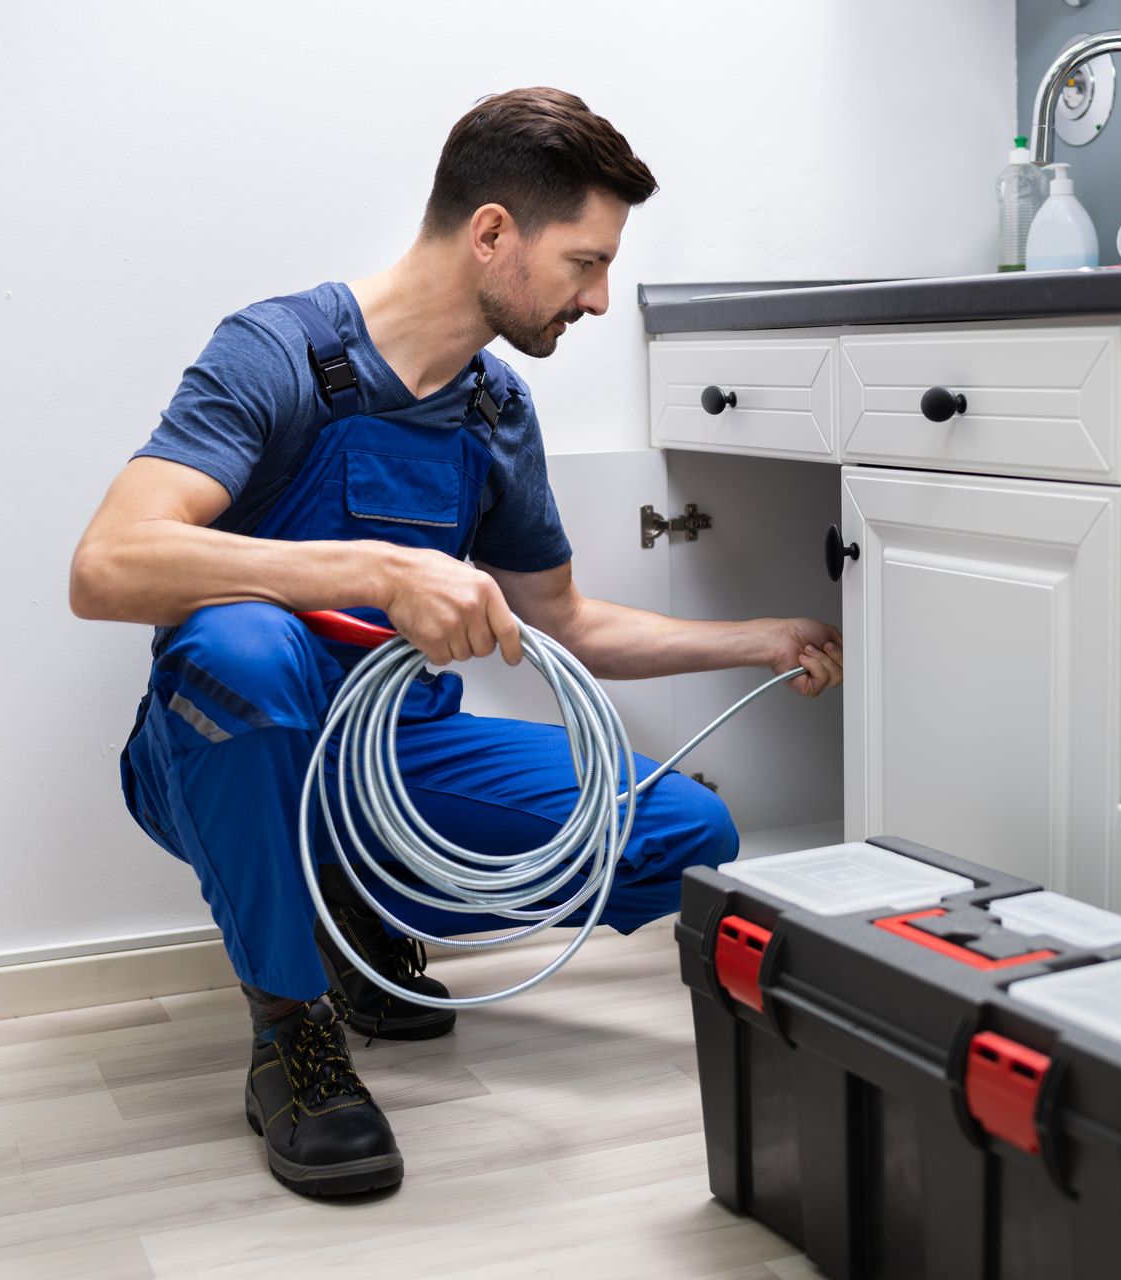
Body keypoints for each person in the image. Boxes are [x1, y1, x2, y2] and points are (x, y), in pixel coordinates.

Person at [69, 87, 844, 1200]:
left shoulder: (494, 413)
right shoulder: (279, 352)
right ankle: (292, 1034)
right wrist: (374, 568)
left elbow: (564, 621)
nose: (600, 295)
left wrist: (753, 637)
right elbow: (109, 563)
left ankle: (358, 919)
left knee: (684, 829)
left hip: (401, 759)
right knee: (244, 652)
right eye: (584, 261)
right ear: (493, 233)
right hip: (231, 744)